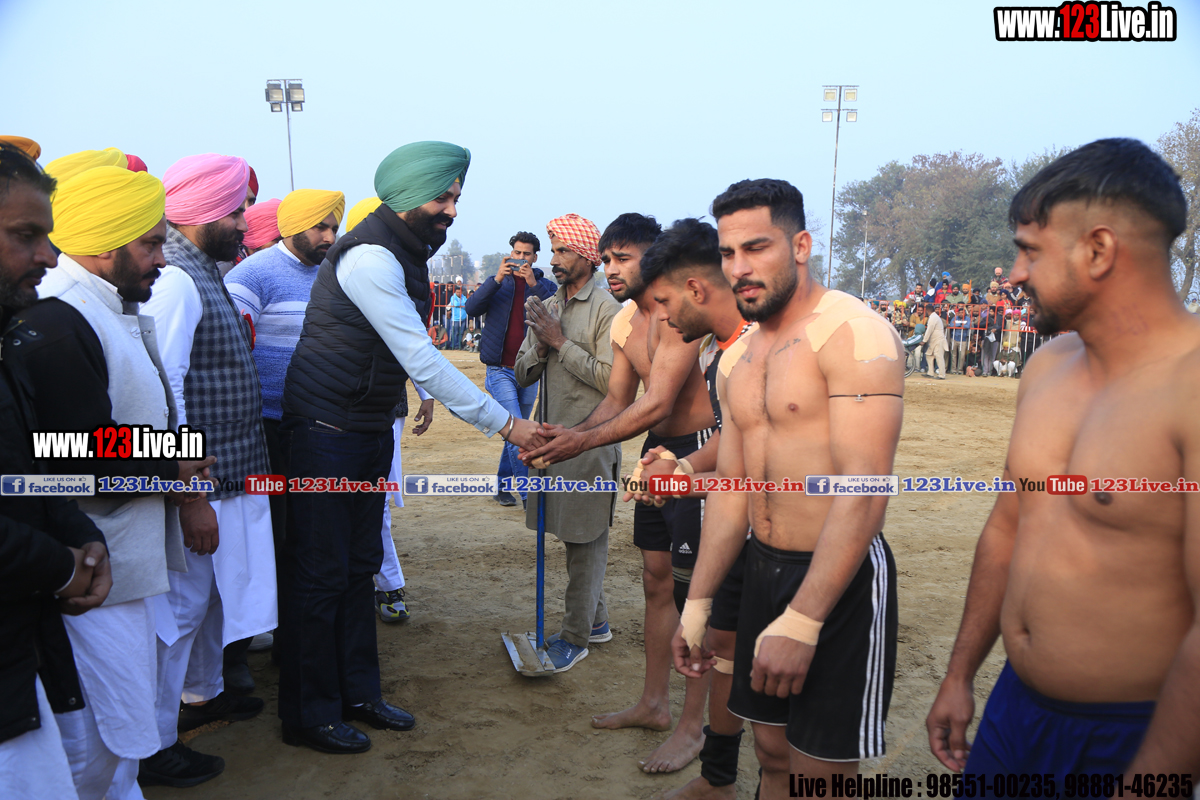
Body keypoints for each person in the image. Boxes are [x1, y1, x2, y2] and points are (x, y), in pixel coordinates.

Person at [927, 138, 1200, 779]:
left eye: (1030, 251)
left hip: (1133, 734)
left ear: (1099, 250)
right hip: (1014, 710)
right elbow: (1007, 528)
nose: (1015, 273)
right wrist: (961, 673)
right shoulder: (1048, 367)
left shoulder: (1191, 389)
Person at [278, 140, 544, 755]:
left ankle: (358, 694)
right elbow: (421, 357)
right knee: (321, 575)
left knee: (359, 567)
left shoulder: (403, 252)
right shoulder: (370, 258)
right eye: (442, 197)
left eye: (456, 196)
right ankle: (309, 714)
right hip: (325, 435)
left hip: (364, 430)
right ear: (407, 196)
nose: (452, 209)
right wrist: (506, 425)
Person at [673, 178, 903, 796]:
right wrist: (697, 606)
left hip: (839, 576)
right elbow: (732, 490)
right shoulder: (740, 357)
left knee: (819, 771)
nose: (739, 269)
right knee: (771, 751)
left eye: (756, 248)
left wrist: (804, 619)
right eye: (728, 253)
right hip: (763, 566)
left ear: (800, 246)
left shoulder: (854, 333)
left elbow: (864, 489)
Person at [18, 163, 218, 798]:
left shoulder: (106, 307)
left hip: (125, 553)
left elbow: (122, 425)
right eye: (151, 243)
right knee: (97, 746)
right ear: (107, 243)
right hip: (91, 561)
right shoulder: (63, 319)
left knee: (119, 741)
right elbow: (65, 451)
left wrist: (180, 460)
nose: (162, 259)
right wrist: (173, 463)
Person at [522, 212, 716, 775]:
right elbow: (616, 401)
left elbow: (657, 401)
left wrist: (577, 442)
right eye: (606, 258)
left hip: (700, 452)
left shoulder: (679, 314)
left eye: (622, 258)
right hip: (656, 452)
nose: (611, 269)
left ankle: (694, 725)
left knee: (698, 596)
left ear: (655, 257)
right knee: (657, 583)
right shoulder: (627, 320)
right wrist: (568, 437)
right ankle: (655, 704)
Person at [138, 153, 276, 785]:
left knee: (213, 598)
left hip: (230, 473)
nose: (246, 222)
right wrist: (189, 490)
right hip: (202, 481)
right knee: (185, 607)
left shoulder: (201, 269)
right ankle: (155, 740)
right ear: (203, 212)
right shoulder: (175, 280)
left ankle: (204, 693)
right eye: (237, 210)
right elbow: (165, 387)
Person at [0, 142, 112, 800]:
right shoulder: (59, 317)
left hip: (45, 601)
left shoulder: (23, 321)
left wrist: (77, 533)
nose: (47, 254)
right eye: (26, 235)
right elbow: (84, 447)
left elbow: (32, 463)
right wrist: (172, 465)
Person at [632, 217, 757, 800]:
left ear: (695, 289)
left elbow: (761, 469)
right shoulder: (720, 351)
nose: (661, 318)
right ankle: (718, 778)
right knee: (721, 648)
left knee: (781, 725)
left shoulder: (758, 349)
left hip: (784, 543)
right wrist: (682, 467)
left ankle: (709, 756)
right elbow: (734, 438)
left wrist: (685, 481)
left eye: (663, 303)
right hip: (734, 524)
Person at [223, 186, 345, 684]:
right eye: (320, 227)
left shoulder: (334, 275)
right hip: (263, 431)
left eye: (334, 227)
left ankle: (291, 641)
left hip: (315, 428)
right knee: (264, 539)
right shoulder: (250, 276)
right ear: (292, 225)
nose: (329, 237)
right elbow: (229, 356)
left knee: (304, 538)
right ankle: (241, 649)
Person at [513, 214, 623, 672]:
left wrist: (559, 342)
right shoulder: (547, 305)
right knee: (571, 538)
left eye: (563, 251)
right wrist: (540, 346)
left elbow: (612, 380)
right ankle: (596, 622)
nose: (554, 260)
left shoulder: (608, 310)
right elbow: (521, 374)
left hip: (590, 444)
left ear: (587, 256)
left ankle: (576, 637)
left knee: (586, 541)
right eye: (553, 250)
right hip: (550, 442)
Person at [466, 231, 557, 507]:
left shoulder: (544, 285)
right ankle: (529, 496)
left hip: (530, 371)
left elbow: (556, 314)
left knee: (517, 431)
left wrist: (533, 284)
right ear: (510, 254)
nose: (520, 258)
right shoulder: (498, 283)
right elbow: (471, 308)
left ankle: (502, 487)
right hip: (499, 370)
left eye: (526, 254)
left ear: (535, 258)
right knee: (517, 432)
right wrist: (495, 279)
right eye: (516, 253)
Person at [374, 381, 434, 623]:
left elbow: (414, 354)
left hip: (384, 404)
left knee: (377, 501)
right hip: (314, 407)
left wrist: (426, 393)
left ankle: (388, 584)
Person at [922, 303, 948, 379]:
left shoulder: (933, 318)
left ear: (927, 311)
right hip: (933, 340)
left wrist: (924, 340)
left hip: (938, 340)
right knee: (929, 355)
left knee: (939, 356)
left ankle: (942, 375)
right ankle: (930, 373)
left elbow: (929, 330)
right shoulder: (933, 317)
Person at [949, 308, 970, 374]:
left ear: (965, 313)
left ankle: (960, 370)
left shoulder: (967, 318)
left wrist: (957, 324)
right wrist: (961, 324)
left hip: (963, 339)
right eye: (960, 312)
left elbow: (968, 326)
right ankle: (953, 370)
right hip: (954, 338)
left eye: (962, 312)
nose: (961, 314)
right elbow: (951, 325)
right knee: (953, 355)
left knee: (962, 355)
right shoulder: (955, 318)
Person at [447, 285, 468, 349]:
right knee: (455, 333)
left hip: (463, 318)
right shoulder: (453, 297)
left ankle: (459, 345)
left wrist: (460, 304)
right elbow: (456, 304)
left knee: (461, 333)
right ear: (455, 292)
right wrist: (462, 304)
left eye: (459, 292)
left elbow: (467, 304)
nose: (458, 293)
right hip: (455, 318)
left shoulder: (464, 297)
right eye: (457, 292)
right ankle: (453, 345)